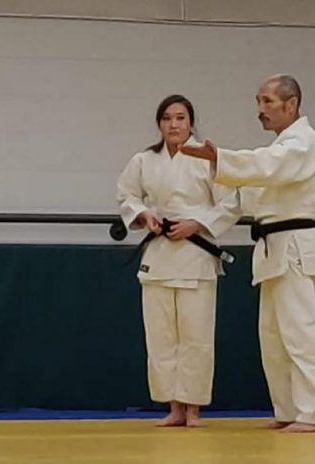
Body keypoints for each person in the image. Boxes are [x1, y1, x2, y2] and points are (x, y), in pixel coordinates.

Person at [180, 75, 315, 433]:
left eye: (267, 102)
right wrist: (199, 224)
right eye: (258, 101)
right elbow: (242, 196)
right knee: (273, 336)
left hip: (295, 244)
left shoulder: (302, 143)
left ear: (291, 104)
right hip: (271, 247)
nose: (260, 110)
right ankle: (289, 409)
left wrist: (221, 157)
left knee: (302, 331)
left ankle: (314, 413)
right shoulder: (279, 150)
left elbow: (266, 166)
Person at [116, 94, 240, 427]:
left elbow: (230, 204)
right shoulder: (144, 160)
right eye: (168, 118)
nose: (174, 124)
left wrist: (196, 224)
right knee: (161, 337)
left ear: (191, 123)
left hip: (195, 255)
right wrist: (145, 215)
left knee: (196, 336)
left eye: (181, 118)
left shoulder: (207, 160)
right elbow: (126, 194)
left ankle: (194, 408)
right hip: (159, 255)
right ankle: (173, 407)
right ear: (159, 124)